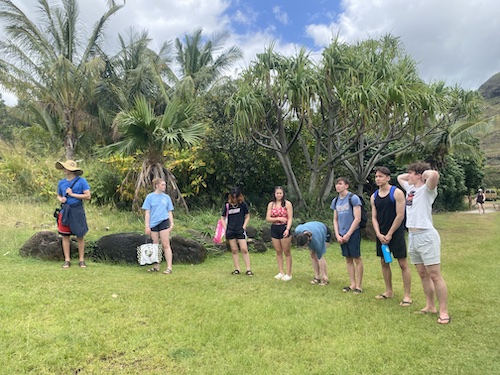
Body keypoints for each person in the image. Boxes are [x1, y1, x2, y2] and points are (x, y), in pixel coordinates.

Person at [397, 162, 451, 324]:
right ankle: (430, 306)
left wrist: (422, 173)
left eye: (412, 173)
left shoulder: (428, 190)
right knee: (422, 274)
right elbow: (400, 177)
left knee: (435, 275)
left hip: (426, 235)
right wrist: (413, 175)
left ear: (420, 175)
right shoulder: (410, 189)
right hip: (413, 236)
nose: (408, 176)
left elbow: (434, 175)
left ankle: (444, 311)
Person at [370, 167, 412, 306]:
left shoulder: (397, 193)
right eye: (376, 176)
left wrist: (389, 234)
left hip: (396, 233)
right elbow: (374, 217)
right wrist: (378, 233)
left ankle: (407, 295)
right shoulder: (374, 196)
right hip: (381, 234)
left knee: (402, 264)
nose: (378, 179)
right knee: (384, 262)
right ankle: (388, 291)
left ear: (388, 178)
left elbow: (400, 215)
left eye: (380, 176)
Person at [56, 160, 91, 268]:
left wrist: (73, 194)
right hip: (65, 210)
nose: (64, 170)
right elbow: (58, 195)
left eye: (66, 168)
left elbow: (88, 196)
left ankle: (81, 260)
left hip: (77, 210)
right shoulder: (61, 182)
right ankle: (67, 259)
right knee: (65, 235)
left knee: (80, 235)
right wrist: (61, 199)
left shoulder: (82, 181)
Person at [331, 177, 364, 294]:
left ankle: (359, 285)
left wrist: (349, 234)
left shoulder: (353, 198)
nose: (338, 186)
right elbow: (335, 219)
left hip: (353, 232)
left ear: (346, 185)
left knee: (357, 258)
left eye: (340, 184)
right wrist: (337, 234)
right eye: (336, 184)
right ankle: (352, 283)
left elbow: (357, 218)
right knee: (348, 259)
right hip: (341, 233)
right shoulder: (335, 201)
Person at [142, 178, 174, 274]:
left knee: (165, 244)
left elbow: (169, 211)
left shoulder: (166, 198)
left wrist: (171, 223)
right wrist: (147, 226)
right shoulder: (150, 197)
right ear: (157, 185)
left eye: (164, 185)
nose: (164, 186)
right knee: (155, 244)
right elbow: (147, 212)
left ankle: (169, 267)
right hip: (153, 223)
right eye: (162, 185)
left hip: (163, 221)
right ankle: (156, 265)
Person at [222, 187, 253, 276]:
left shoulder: (242, 205)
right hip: (230, 230)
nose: (235, 199)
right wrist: (226, 227)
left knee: (244, 249)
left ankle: (248, 269)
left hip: (240, 229)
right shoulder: (227, 206)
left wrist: (244, 226)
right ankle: (237, 269)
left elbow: (247, 216)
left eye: (236, 197)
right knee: (234, 250)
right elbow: (222, 217)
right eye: (233, 197)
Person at [266, 186, 293, 281]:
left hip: (284, 227)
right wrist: (277, 219)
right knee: (278, 251)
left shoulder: (287, 204)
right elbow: (268, 218)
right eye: (277, 193)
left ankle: (289, 273)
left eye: (280, 193)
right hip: (274, 228)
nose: (279, 195)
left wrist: (287, 229)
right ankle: (281, 271)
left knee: (286, 251)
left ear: (283, 194)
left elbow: (290, 218)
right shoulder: (271, 204)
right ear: (274, 194)